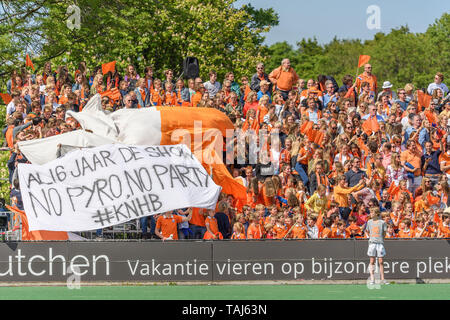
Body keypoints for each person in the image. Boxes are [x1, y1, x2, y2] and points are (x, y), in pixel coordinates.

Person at [366, 207, 389, 285]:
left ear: (376, 214)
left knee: (381, 261)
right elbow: (368, 231)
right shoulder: (369, 222)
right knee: (372, 261)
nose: (371, 214)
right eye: (370, 212)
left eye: (372, 212)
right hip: (372, 243)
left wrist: (380, 239)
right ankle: (372, 279)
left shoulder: (382, 222)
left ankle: (382, 278)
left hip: (380, 243)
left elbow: (384, 233)